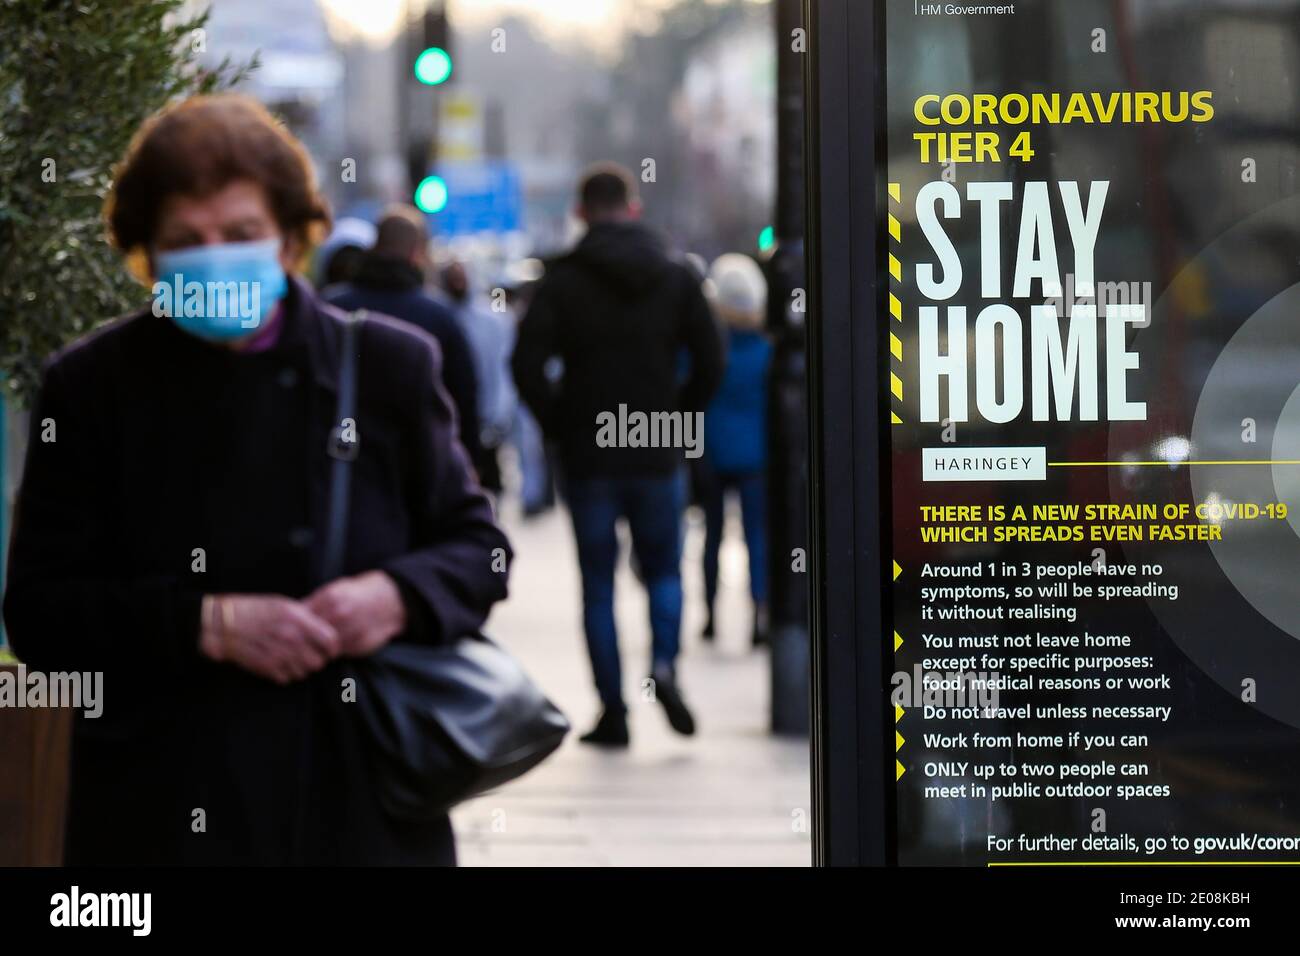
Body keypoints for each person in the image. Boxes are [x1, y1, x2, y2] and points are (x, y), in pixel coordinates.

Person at [2, 94, 511, 865]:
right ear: (147, 253)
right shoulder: (90, 386)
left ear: (288, 240)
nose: (216, 257)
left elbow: (479, 551)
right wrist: (208, 624)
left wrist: (394, 596)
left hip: (358, 804)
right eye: (187, 240)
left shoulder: (385, 367)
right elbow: (40, 611)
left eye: (240, 235)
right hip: (161, 810)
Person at [512, 162, 724, 747]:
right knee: (663, 570)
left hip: (591, 448)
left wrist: (560, 422)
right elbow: (712, 360)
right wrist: (679, 416)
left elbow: (525, 364)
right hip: (656, 439)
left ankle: (614, 710)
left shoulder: (563, 281)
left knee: (598, 583)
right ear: (633, 208)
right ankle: (665, 666)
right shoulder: (677, 276)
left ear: (580, 213)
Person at [323, 206, 485, 478]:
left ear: (374, 246)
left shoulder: (331, 307)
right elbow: (464, 393)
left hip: (343, 461)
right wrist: (471, 461)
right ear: (417, 254)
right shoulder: (439, 316)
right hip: (421, 462)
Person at [697, 254, 772, 647]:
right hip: (756, 456)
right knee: (756, 536)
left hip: (712, 452)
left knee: (711, 536)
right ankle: (759, 609)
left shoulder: (709, 349)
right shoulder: (767, 352)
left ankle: (710, 612)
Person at [438, 259, 517, 494]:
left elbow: (501, 367)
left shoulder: (492, 319)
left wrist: (499, 411)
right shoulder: (441, 316)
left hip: (484, 414)